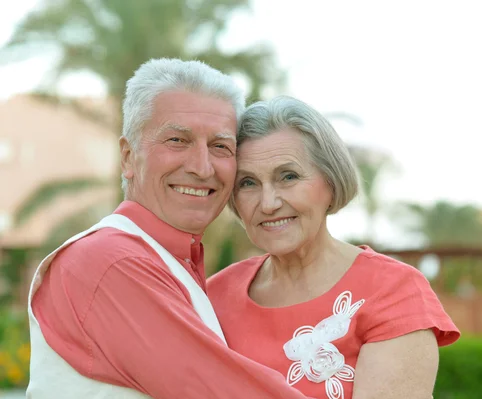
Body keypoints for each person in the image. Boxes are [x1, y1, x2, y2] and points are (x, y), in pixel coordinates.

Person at [26, 59, 315, 399]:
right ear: (128, 157)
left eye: (220, 146)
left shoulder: (170, 262)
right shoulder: (110, 261)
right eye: (178, 140)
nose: (202, 167)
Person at [208, 96, 461, 399]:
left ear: (330, 181)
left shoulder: (393, 290)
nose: (268, 203)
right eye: (247, 183)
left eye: (288, 177)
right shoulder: (212, 297)